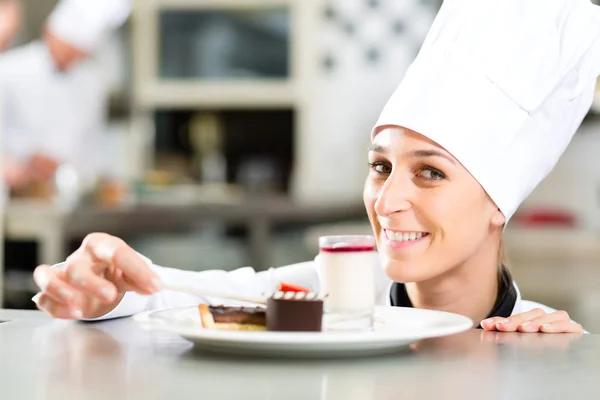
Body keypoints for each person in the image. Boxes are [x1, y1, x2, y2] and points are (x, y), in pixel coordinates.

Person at [33, 0, 600, 333]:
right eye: (381, 167)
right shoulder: (333, 297)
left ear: (499, 202)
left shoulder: (540, 335)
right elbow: (199, 299)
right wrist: (108, 292)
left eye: (430, 172)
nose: (386, 200)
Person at [0, 0, 131, 196]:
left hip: (69, 190)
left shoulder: (92, 81)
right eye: (66, 49)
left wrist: (99, 179)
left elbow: (92, 143)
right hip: (16, 190)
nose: (69, 59)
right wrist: (23, 163)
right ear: (49, 33)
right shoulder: (9, 70)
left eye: (77, 54)